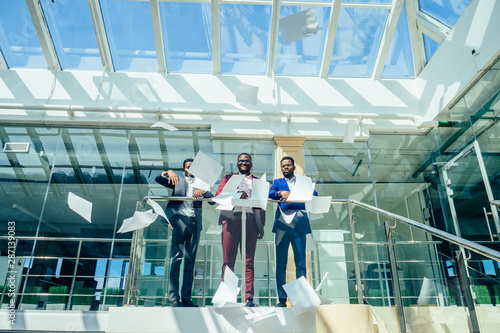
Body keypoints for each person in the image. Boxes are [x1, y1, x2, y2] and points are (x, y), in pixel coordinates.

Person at [155, 158, 214, 307]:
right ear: (184, 170)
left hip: (195, 223)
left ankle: (187, 298)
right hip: (180, 221)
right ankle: (174, 298)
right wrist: (168, 172)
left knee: (190, 261)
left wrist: (205, 192)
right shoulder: (178, 180)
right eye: (188, 167)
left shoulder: (202, 183)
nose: (191, 169)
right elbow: (158, 179)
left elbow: (212, 201)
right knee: (176, 259)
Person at [214, 153, 265, 307]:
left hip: (249, 220)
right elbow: (218, 195)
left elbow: (262, 203)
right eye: (241, 160)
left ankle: (248, 298)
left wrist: (260, 224)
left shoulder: (258, 181)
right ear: (237, 163)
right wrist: (237, 194)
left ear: (251, 163)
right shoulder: (228, 178)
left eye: (246, 160)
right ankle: (227, 297)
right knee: (228, 260)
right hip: (231, 219)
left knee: (248, 261)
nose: (243, 162)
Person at [268, 156, 318, 307]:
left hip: (299, 224)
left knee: (301, 262)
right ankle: (282, 300)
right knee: (281, 263)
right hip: (282, 225)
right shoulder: (277, 183)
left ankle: (301, 299)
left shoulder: (303, 182)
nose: (286, 168)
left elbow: (314, 196)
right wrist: (279, 193)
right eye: (283, 166)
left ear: (294, 167)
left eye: (288, 165)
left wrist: (295, 197)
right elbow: (269, 194)